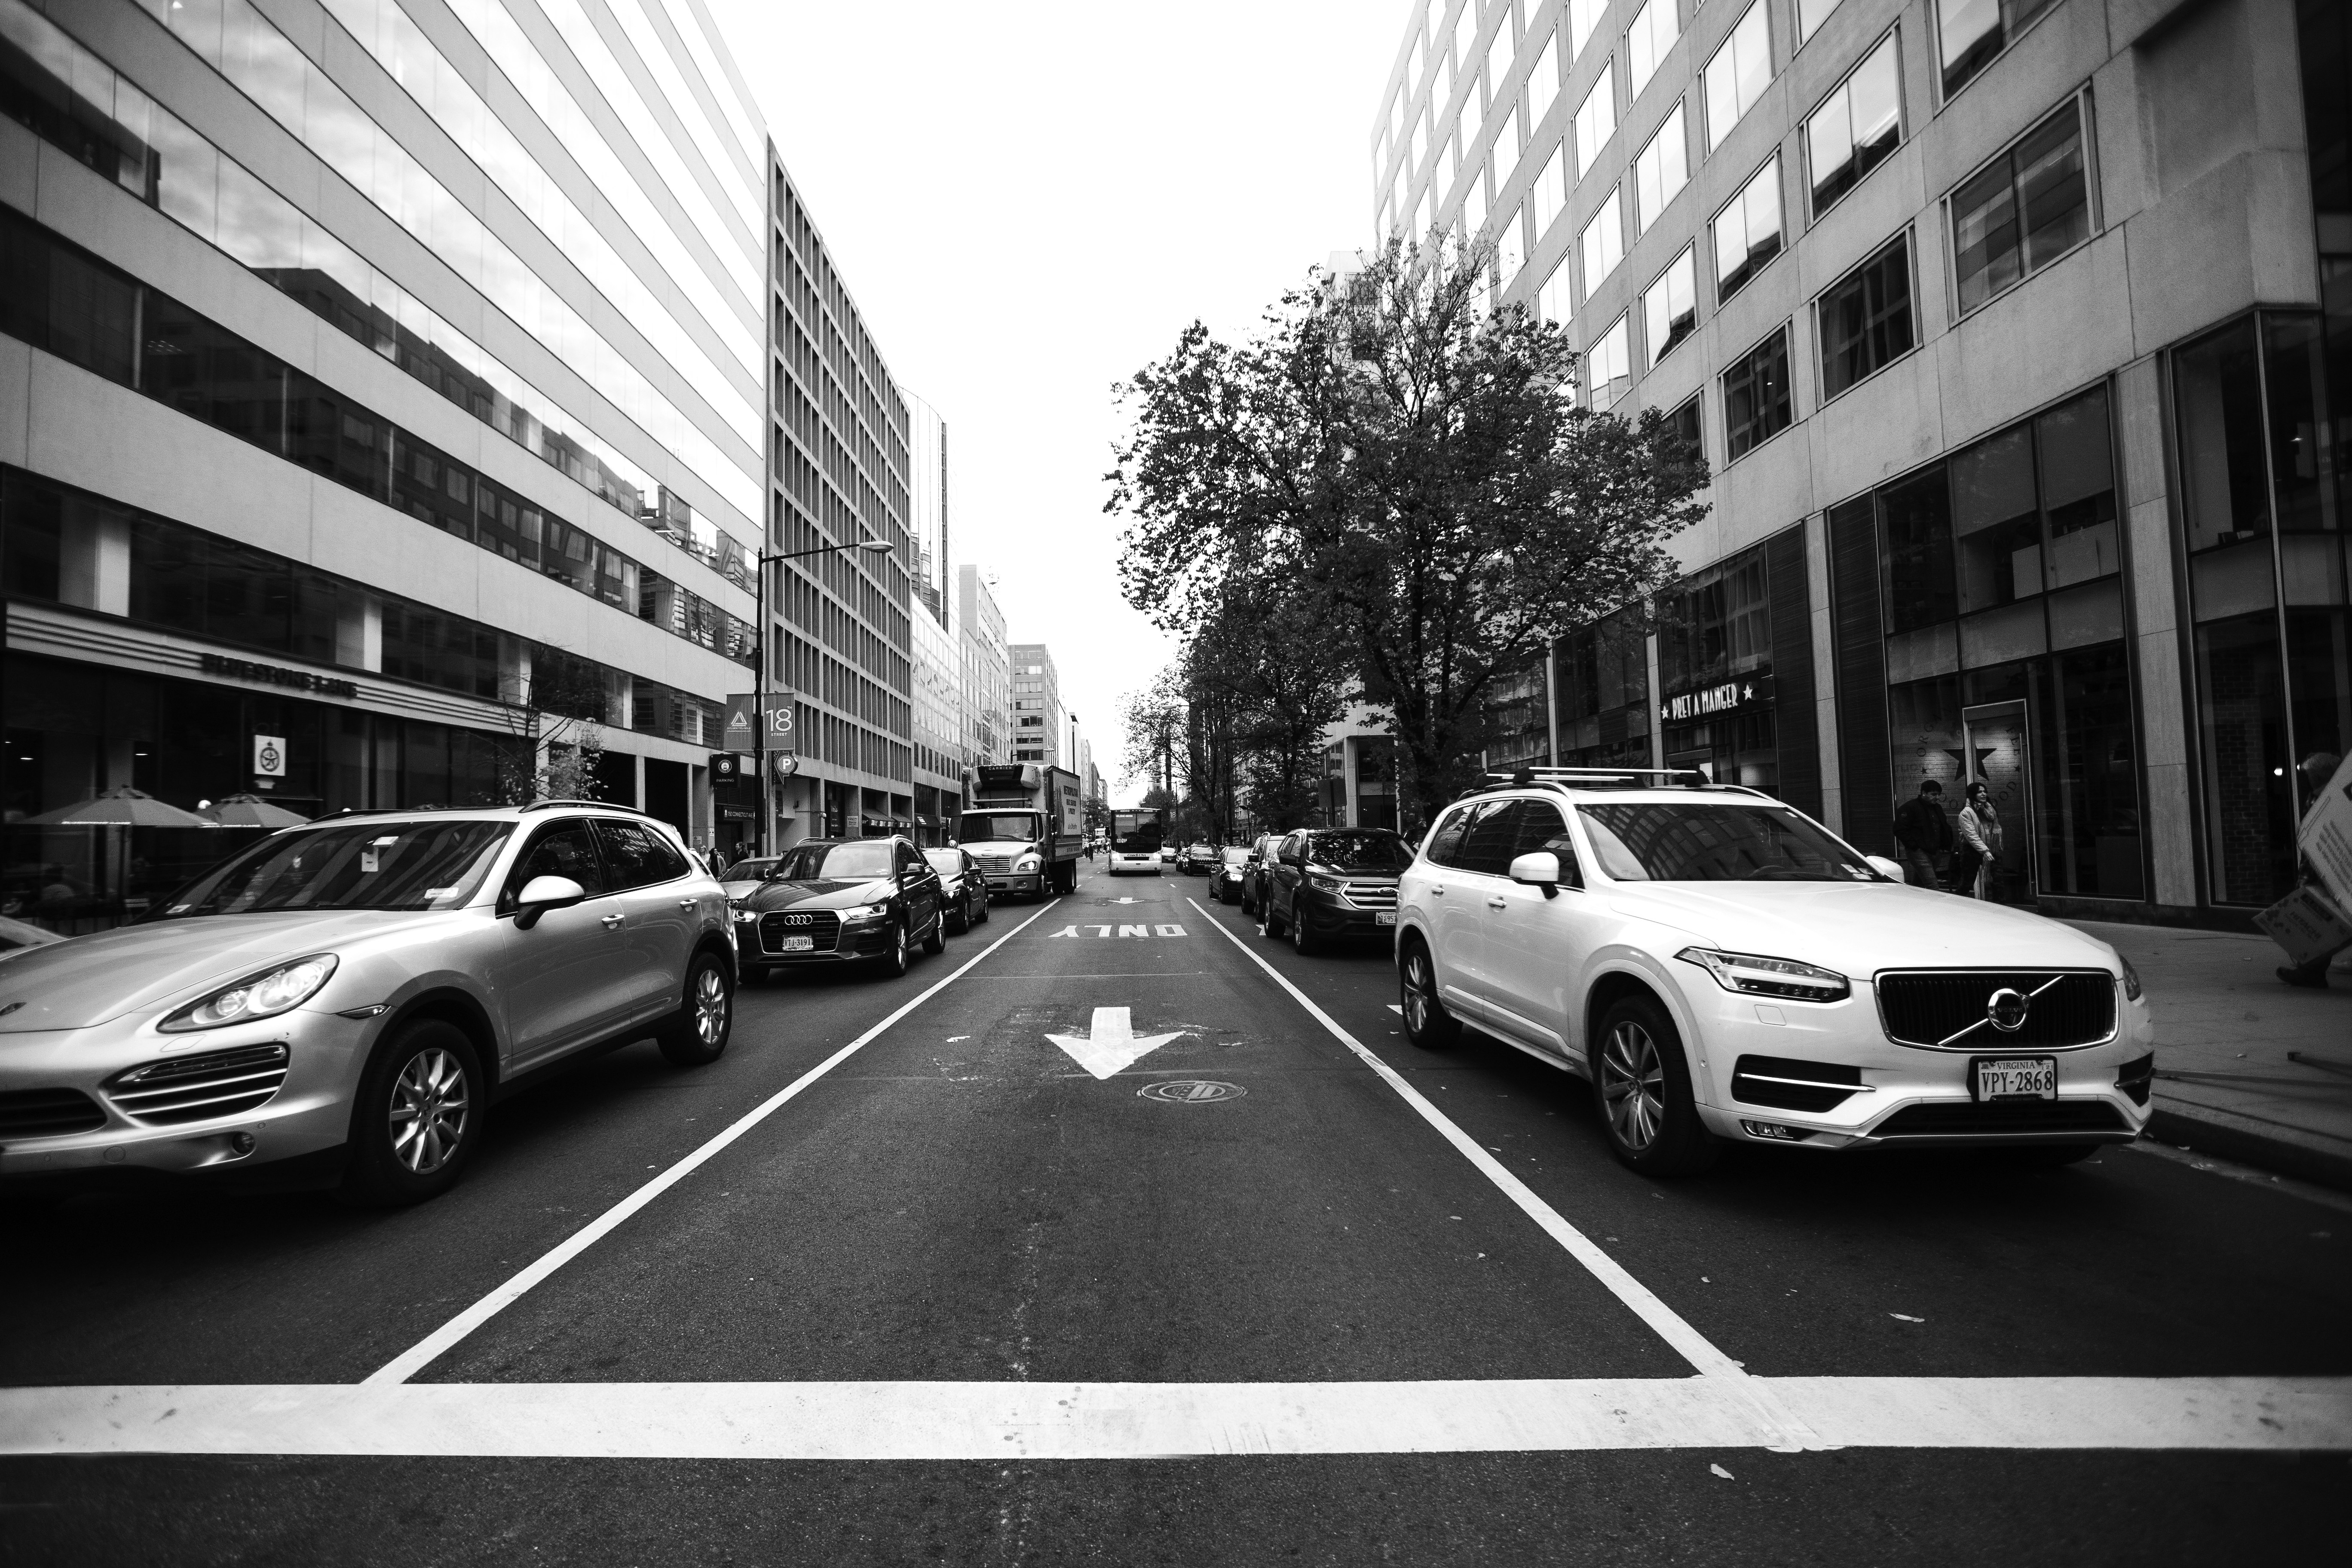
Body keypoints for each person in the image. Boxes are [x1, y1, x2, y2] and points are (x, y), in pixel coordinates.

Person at [2278, 750, 2347, 989]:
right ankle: (2311, 971)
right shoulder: (2324, 796)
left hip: (2329, 869)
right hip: (2328, 868)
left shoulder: (2326, 798)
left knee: (2323, 921)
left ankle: (2311, 972)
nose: (2308, 779)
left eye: (2310, 775)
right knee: (2324, 921)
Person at [1891, 780, 1952, 889]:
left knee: (1920, 882)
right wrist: (1914, 846)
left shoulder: (1937, 808)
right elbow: (1899, 829)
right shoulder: (1910, 807)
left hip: (1934, 851)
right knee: (1932, 885)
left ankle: (1912, 902)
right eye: (1934, 795)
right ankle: (1938, 906)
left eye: (1939, 795)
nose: (1937, 798)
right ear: (1924, 793)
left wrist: (1943, 846)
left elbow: (1943, 827)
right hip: (1919, 851)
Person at [1952, 782, 2001, 899]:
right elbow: (1971, 835)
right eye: (1980, 792)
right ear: (1973, 794)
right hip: (1971, 850)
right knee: (1967, 883)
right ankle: (1955, 905)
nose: (1984, 794)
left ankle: (2000, 907)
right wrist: (1985, 851)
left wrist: (1992, 849)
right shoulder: (1966, 813)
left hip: (1991, 848)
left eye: (1985, 791)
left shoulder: (1990, 810)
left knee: (1998, 881)